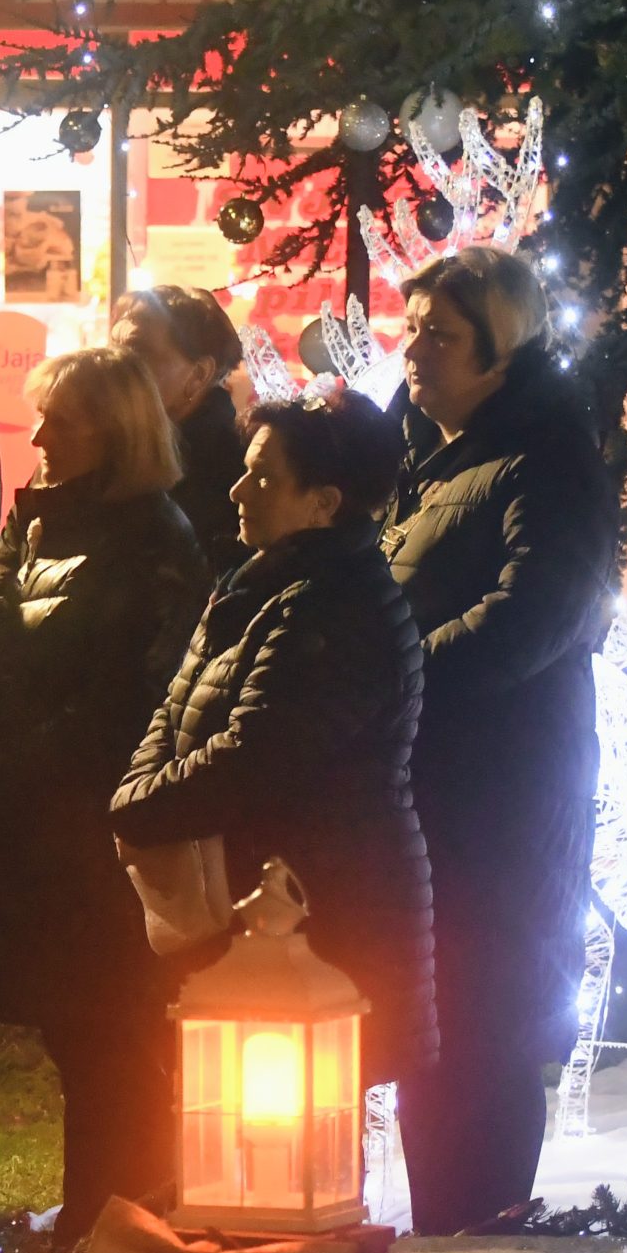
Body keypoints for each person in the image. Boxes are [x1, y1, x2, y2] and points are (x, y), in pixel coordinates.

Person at [0, 347, 208, 1242]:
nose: (41, 435)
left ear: (116, 432)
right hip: (36, 826)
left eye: (63, 419)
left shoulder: (153, 541)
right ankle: (100, 1212)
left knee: (111, 1036)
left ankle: (120, 1217)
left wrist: (2, 768)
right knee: (76, 1036)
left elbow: (121, 703)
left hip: (96, 835)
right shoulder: (42, 518)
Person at [111, 387, 438, 1106]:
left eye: (263, 477)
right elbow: (177, 708)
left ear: (324, 503)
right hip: (260, 908)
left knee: (299, 1138)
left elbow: (254, 757)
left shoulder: (335, 609)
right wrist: (138, 795)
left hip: (321, 913)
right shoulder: (260, 584)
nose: (237, 490)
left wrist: (136, 810)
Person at [384, 245, 618, 1235]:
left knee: (485, 1035)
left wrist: (392, 677)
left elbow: (531, 618)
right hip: (434, 795)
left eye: (440, 336)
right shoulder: (425, 459)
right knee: (434, 1042)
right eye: (411, 330)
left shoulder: (545, 459)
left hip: (503, 803)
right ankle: (442, 1248)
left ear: (502, 349)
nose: (413, 352)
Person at [111, 285, 249, 578]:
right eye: (114, 348)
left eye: (136, 352)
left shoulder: (236, 471)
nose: (114, 366)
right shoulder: (93, 445)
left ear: (199, 374)